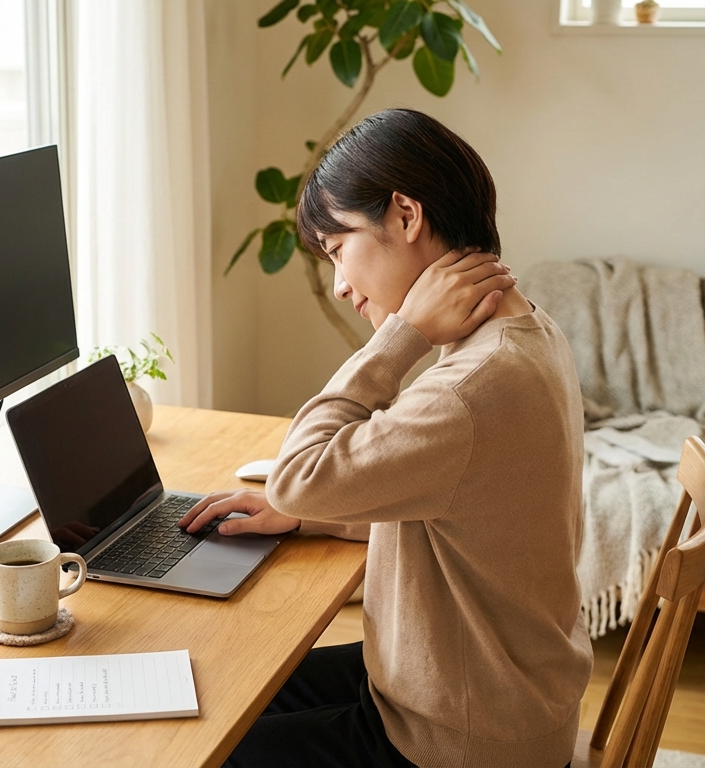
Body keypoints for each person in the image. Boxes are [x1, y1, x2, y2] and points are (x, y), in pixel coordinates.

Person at [178, 108, 593, 768]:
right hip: (493, 697)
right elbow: (463, 520)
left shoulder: (471, 386)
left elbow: (295, 473)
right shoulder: (526, 334)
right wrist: (309, 517)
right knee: (226, 695)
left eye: (340, 250)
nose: (341, 284)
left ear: (405, 214)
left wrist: (399, 336)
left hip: (462, 738)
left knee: (205, 749)